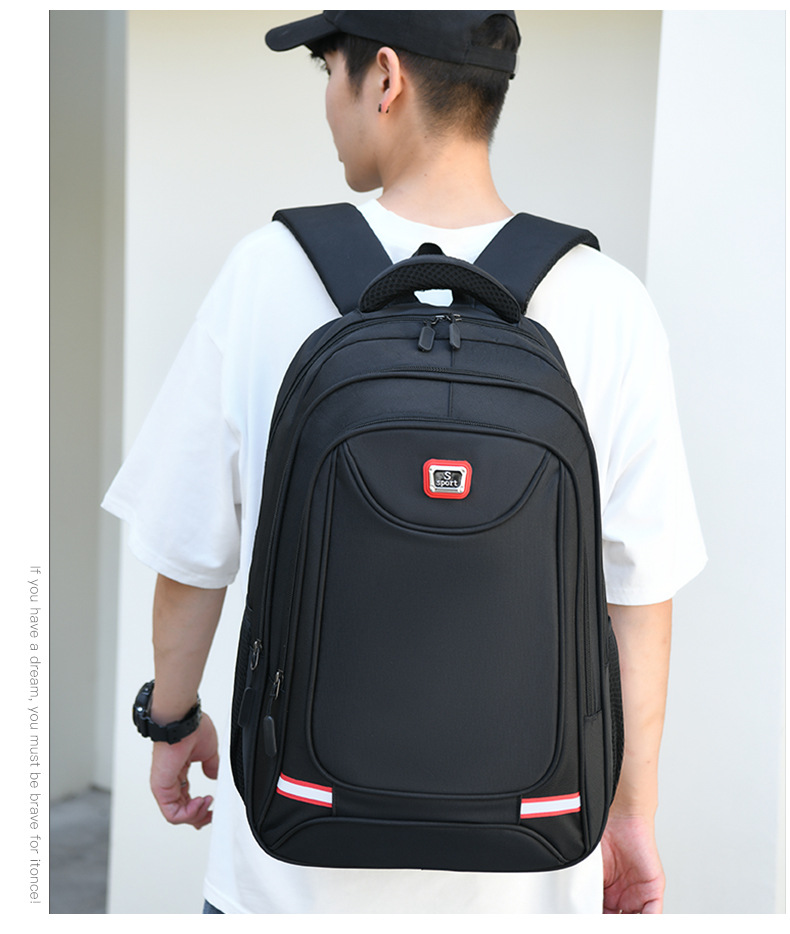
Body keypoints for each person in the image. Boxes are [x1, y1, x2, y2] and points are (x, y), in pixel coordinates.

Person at [103, 10, 706, 914]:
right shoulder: (610, 303)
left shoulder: (265, 273)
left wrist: (173, 720)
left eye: (328, 73)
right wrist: (629, 813)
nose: (328, 102)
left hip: (293, 870)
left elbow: (190, 556)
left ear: (384, 78)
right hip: (532, 867)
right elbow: (639, 599)